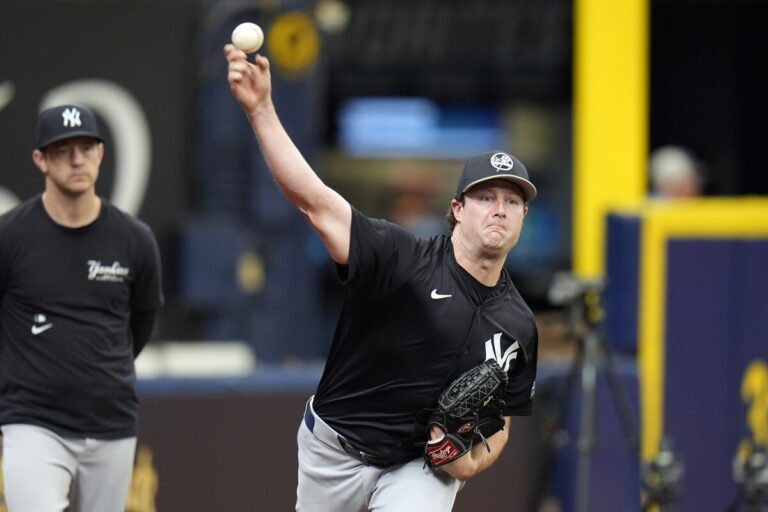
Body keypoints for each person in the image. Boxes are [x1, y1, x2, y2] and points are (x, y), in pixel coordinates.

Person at [225, 46, 538, 511]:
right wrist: (262, 110)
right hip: (335, 450)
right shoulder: (401, 256)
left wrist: (473, 462)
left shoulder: (518, 322)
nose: (499, 209)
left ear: (523, 215)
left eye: (512, 201)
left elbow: (503, 416)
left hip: (419, 464)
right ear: (456, 210)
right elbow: (314, 201)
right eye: (485, 197)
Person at [0, 104, 163, 512]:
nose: (77, 159)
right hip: (32, 421)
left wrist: (101, 367)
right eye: (62, 149)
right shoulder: (11, 236)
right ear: (41, 159)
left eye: (87, 147)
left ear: (102, 153)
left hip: (112, 423)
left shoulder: (135, 240)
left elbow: (140, 324)